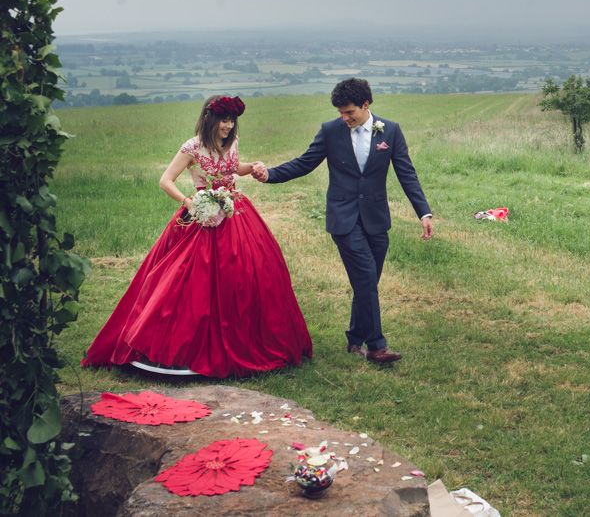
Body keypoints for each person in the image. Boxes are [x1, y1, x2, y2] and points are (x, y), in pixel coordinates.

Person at [81, 95, 312, 378]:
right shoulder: (192, 147)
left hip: (236, 213)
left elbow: (232, 169)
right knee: (189, 279)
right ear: (209, 119)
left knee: (249, 272)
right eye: (224, 120)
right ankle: (181, 342)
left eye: (231, 120)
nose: (228, 126)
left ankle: (248, 337)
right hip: (202, 216)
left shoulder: (232, 142)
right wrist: (190, 203)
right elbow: (165, 180)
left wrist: (252, 167)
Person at [252, 78, 433, 364]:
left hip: (376, 219)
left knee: (368, 282)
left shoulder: (391, 131)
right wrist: (270, 175)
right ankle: (377, 346)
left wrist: (423, 212)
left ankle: (354, 339)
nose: (344, 118)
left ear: (366, 104)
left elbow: (406, 173)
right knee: (365, 278)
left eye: (349, 112)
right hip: (344, 219)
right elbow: (304, 162)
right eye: (340, 112)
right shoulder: (330, 131)